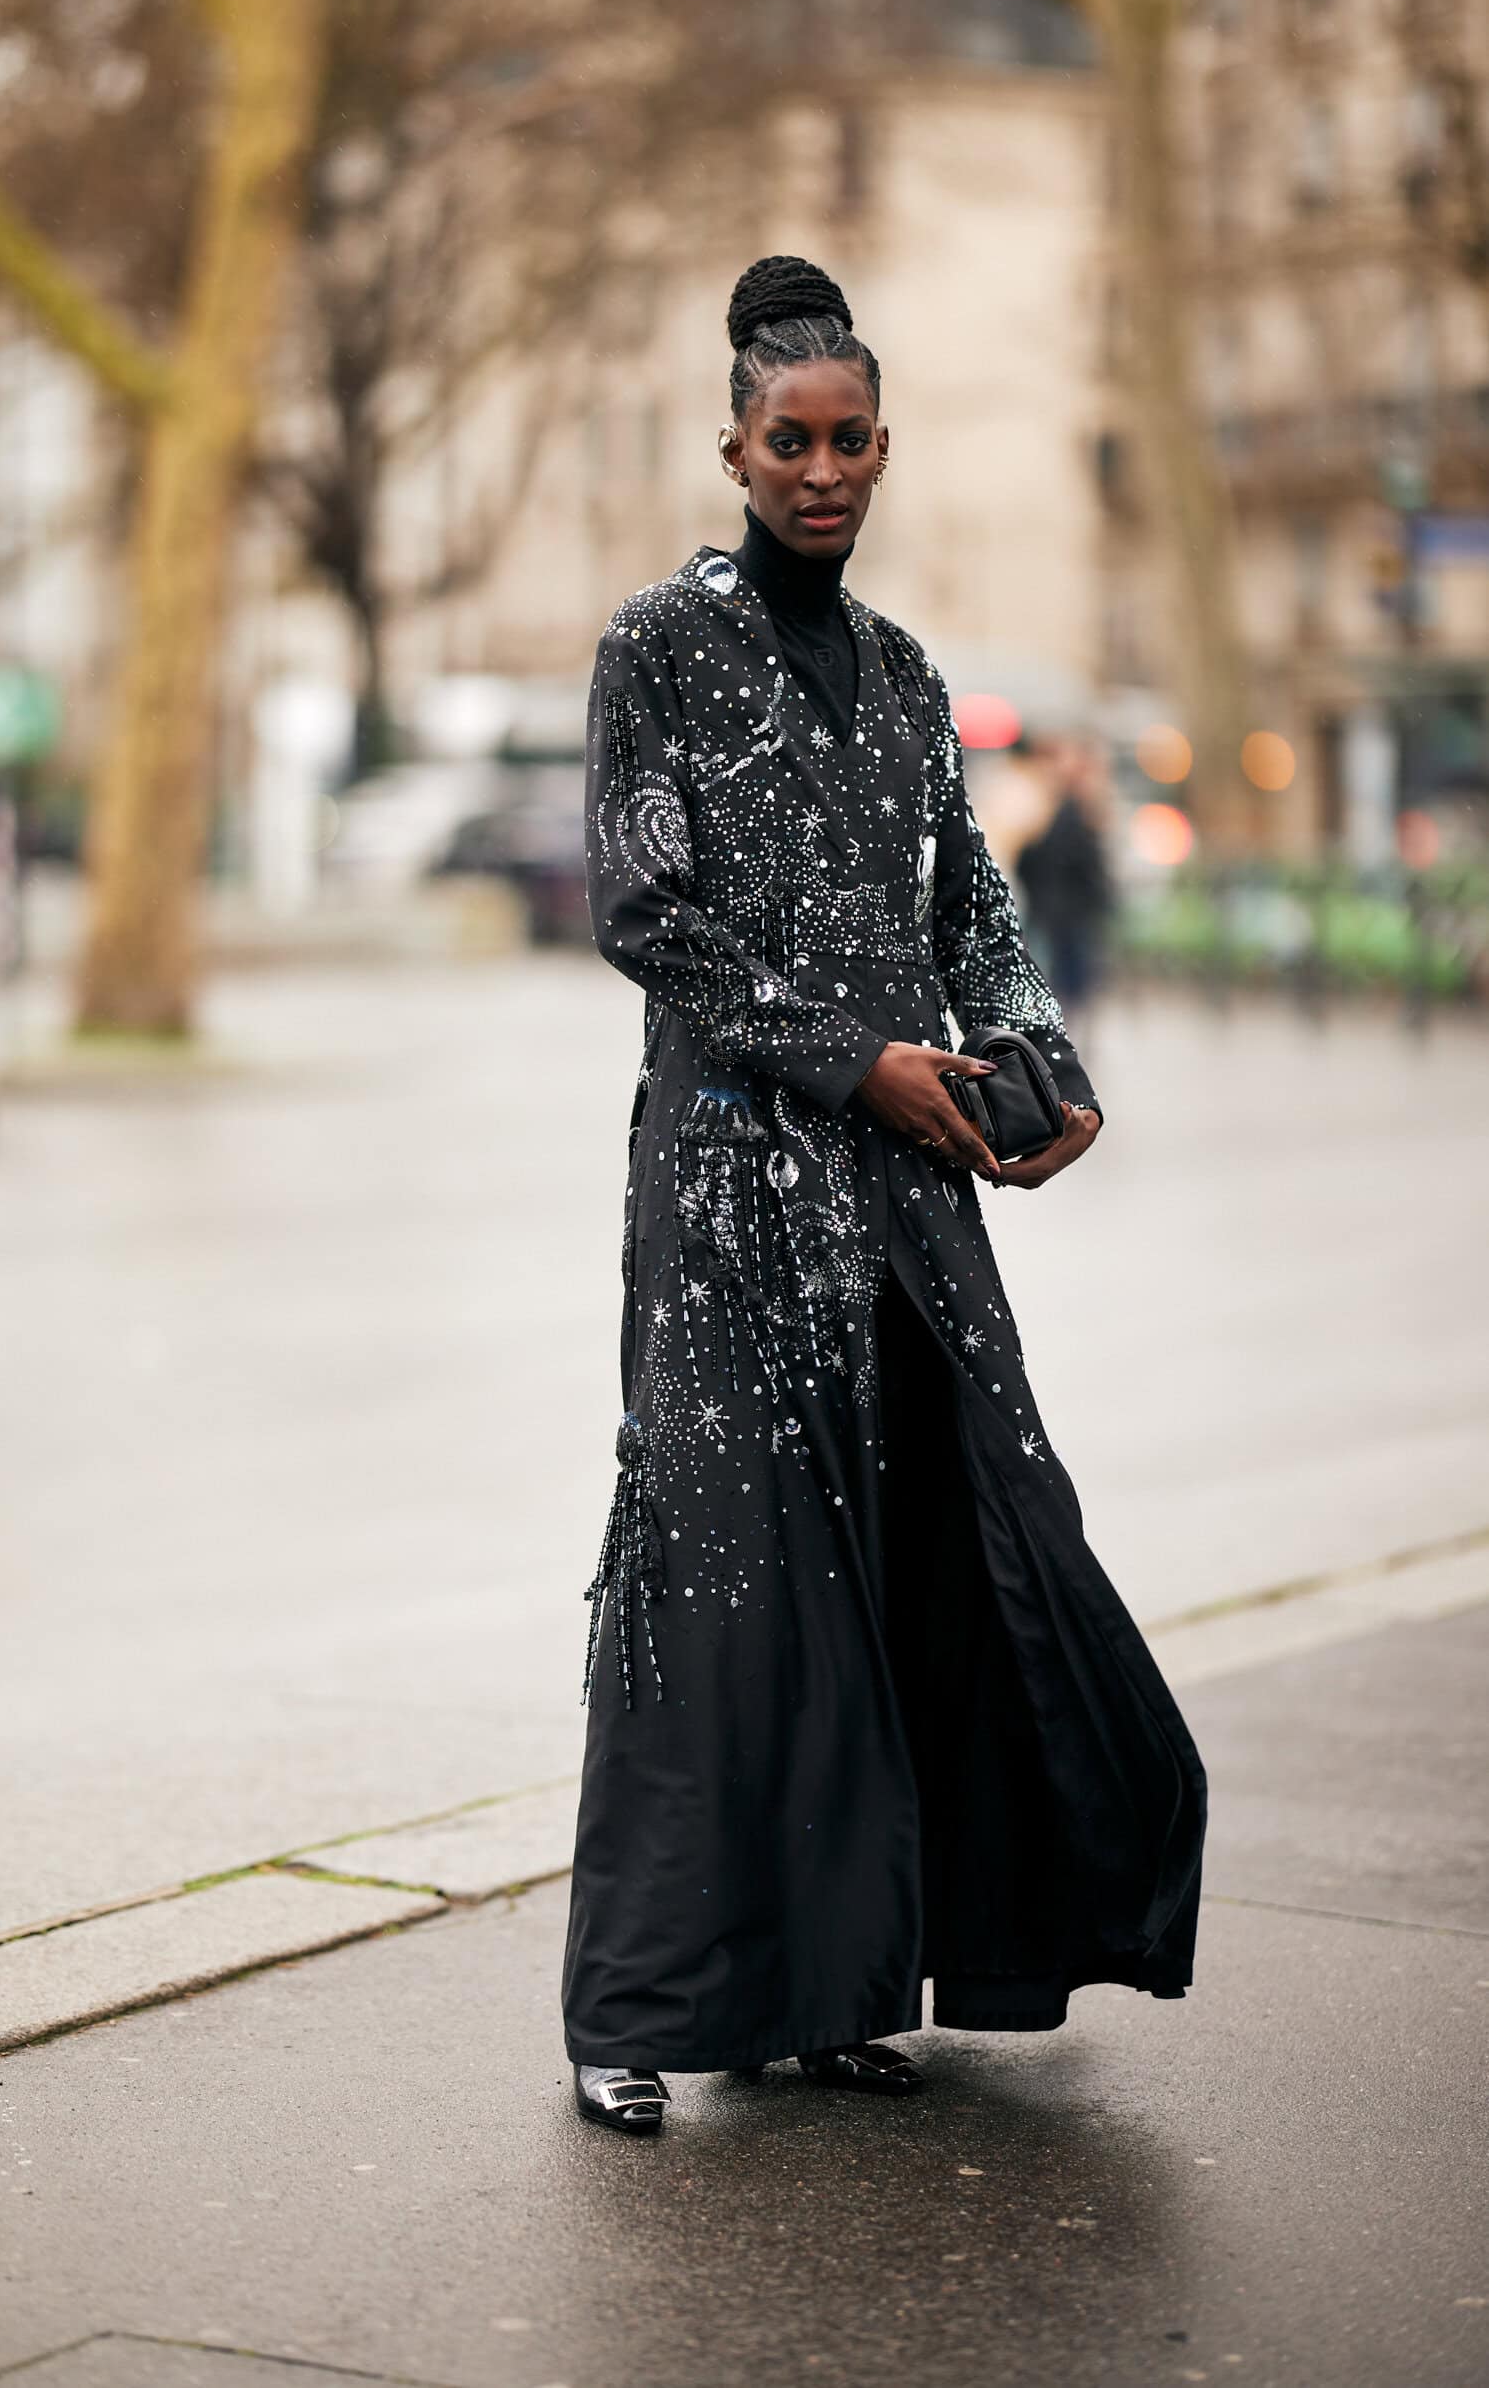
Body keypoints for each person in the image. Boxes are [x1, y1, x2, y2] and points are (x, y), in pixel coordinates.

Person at [563, 256, 1205, 2137]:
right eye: (789, 442)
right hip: (725, 1200)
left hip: (912, 1204)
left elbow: (970, 913)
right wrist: (860, 1063)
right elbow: (645, 915)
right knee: (713, 1578)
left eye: (849, 442)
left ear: (881, 450)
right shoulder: (653, 651)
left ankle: (838, 1988)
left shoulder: (915, 679)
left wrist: (1035, 1062)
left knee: (922, 1560)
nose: (820, 470)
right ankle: (634, 2001)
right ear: (735, 447)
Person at [1015, 737, 1115, 1028]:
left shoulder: (1062, 812)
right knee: (1065, 981)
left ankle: (1057, 1029)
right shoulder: (1066, 813)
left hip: (1057, 910)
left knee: (1064, 980)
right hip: (1063, 912)